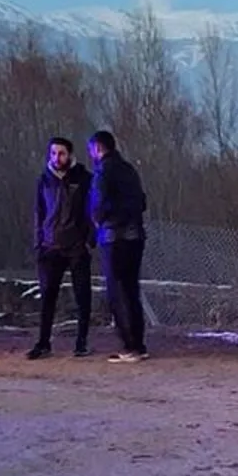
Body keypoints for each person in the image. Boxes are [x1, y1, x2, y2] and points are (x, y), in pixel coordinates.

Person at [28, 137, 95, 360]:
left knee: (82, 296)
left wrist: (89, 240)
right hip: (50, 246)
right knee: (48, 297)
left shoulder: (84, 178)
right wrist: (38, 243)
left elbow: (92, 211)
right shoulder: (43, 180)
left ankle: (81, 342)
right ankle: (43, 342)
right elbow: (38, 212)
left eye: (61, 153)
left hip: (77, 246)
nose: (57, 158)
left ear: (70, 154)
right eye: (53, 153)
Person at [87, 130, 149, 363]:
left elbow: (98, 202)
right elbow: (142, 201)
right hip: (135, 235)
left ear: (97, 148)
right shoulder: (129, 170)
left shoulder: (103, 171)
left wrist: (98, 219)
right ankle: (139, 344)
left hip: (114, 236)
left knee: (117, 292)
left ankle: (129, 345)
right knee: (132, 290)